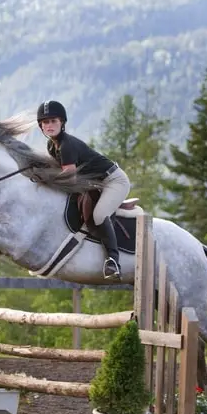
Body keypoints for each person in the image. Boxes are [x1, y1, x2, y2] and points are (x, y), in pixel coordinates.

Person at [36, 100, 131, 280]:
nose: (49, 125)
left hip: (113, 181)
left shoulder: (66, 145)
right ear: (40, 126)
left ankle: (113, 260)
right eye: (45, 122)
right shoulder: (52, 146)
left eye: (53, 121)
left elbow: (68, 178)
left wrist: (44, 178)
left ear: (62, 122)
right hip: (95, 183)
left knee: (99, 215)